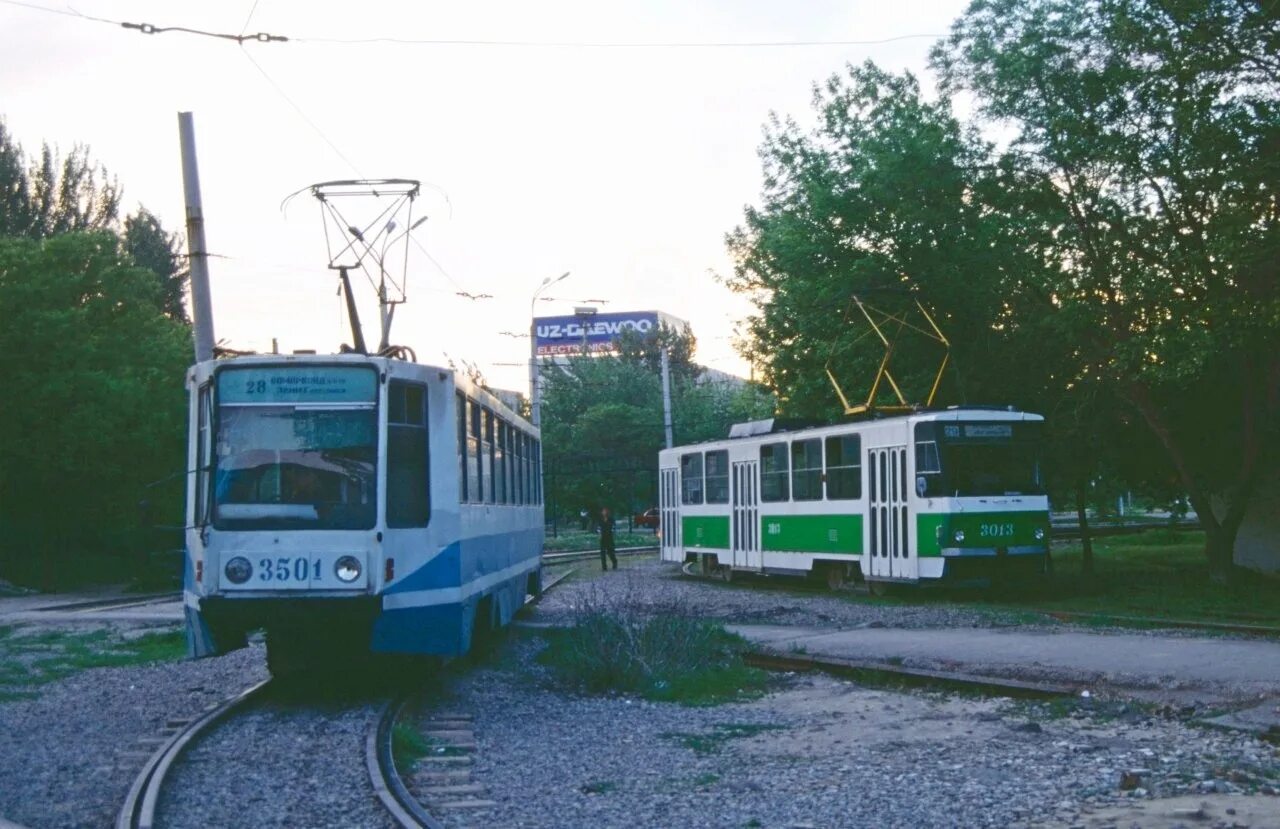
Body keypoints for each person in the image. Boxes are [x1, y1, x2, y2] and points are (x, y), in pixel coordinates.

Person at [599, 506, 618, 571]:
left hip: (609, 537)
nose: (604, 512)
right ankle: (604, 567)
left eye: (605, 511)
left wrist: (612, 532)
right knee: (602, 553)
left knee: (610, 552)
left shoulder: (611, 519)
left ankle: (614, 562)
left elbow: (613, 527)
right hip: (603, 538)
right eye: (603, 511)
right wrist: (599, 533)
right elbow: (598, 528)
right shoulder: (600, 519)